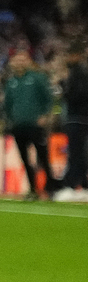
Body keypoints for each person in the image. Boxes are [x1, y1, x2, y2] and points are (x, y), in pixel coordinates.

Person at [1, 51, 53, 199]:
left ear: (28, 61)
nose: (19, 63)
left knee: (43, 156)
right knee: (24, 158)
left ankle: (50, 188)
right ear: (12, 63)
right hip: (18, 125)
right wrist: (10, 119)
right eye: (17, 60)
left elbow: (48, 99)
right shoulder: (11, 82)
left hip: (35, 124)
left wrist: (44, 116)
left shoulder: (37, 78)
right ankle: (33, 189)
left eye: (23, 60)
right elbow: (7, 104)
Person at [62, 46, 88, 197]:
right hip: (78, 118)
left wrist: (65, 90)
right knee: (79, 152)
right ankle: (82, 184)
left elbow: (79, 94)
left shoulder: (79, 73)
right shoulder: (78, 72)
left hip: (78, 118)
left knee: (76, 151)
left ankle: (72, 184)